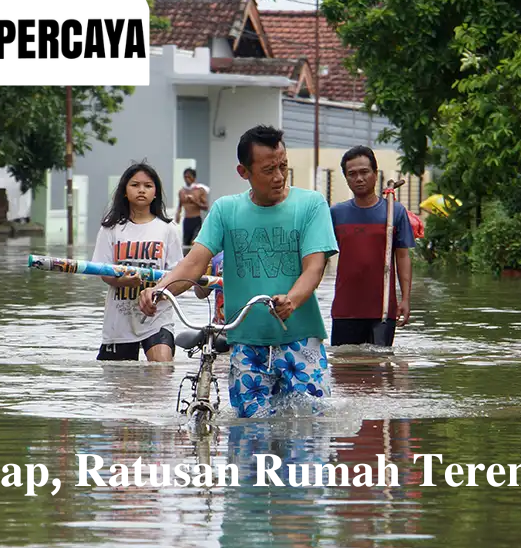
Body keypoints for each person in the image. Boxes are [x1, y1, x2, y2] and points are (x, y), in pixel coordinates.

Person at [140, 125, 338, 418]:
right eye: (269, 169)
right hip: (245, 344)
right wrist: (161, 290)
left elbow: (315, 266)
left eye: (283, 166)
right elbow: (194, 263)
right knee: (249, 438)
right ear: (243, 172)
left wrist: (292, 300)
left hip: (301, 341)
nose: (279, 177)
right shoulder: (225, 210)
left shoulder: (311, 205)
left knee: (311, 431)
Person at [91, 163, 183, 363]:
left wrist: (158, 292)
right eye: (135, 185)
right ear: (124, 191)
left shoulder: (168, 229)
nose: (141, 190)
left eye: (148, 186)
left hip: (157, 315)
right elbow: (102, 269)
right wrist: (120, 281)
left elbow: (180, 276)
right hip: (120, 320)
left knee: (162, 371)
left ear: (156, 192)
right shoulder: (111, 229)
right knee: (120, 388)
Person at [329, 145, 415, 347]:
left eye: (364, 172)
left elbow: (402, 257)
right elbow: (320, 259)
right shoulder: (336, 214)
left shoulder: (394, 212)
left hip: (383, 309)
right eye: (352, 174)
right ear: (346, 178)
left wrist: (405, 299)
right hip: (345, 310)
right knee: (344, 371)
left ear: (375, 175)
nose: (359, 178)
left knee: (381, 371)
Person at [175, 168, 210, 248]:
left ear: (194, 178)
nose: (187, 179)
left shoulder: (200, 190)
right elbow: (180, 204)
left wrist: (195, 202)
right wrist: (178, 214)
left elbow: (206, 207)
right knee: (186, 243)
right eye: (185, 177)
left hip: (196, 220)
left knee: (195, 243)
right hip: (187, 220)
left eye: (189, 177)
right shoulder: (182, 191)